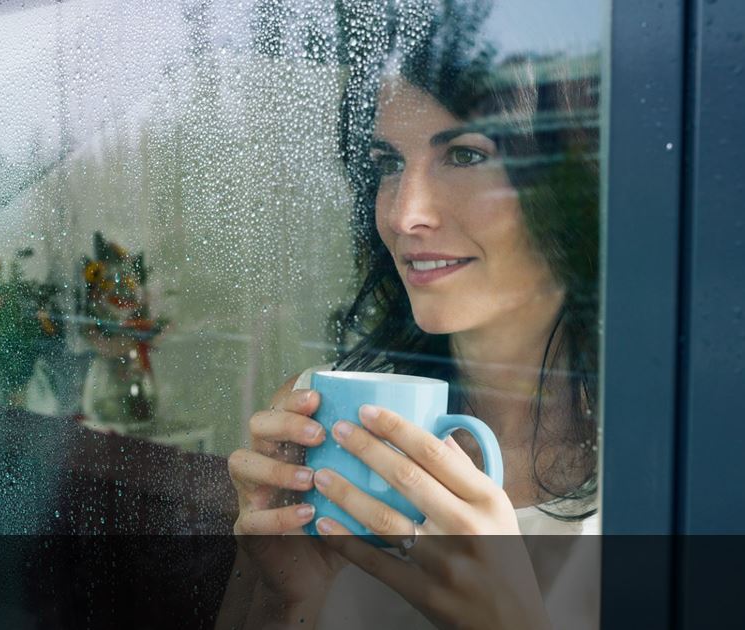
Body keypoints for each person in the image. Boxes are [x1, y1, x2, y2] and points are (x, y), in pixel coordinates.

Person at [219, 2, 600, 627]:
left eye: (467, 156)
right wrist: (285, 598)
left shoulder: (663, 472)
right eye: (389, 164)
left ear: (565, 188)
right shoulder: (315, 423)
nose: (404, 214)